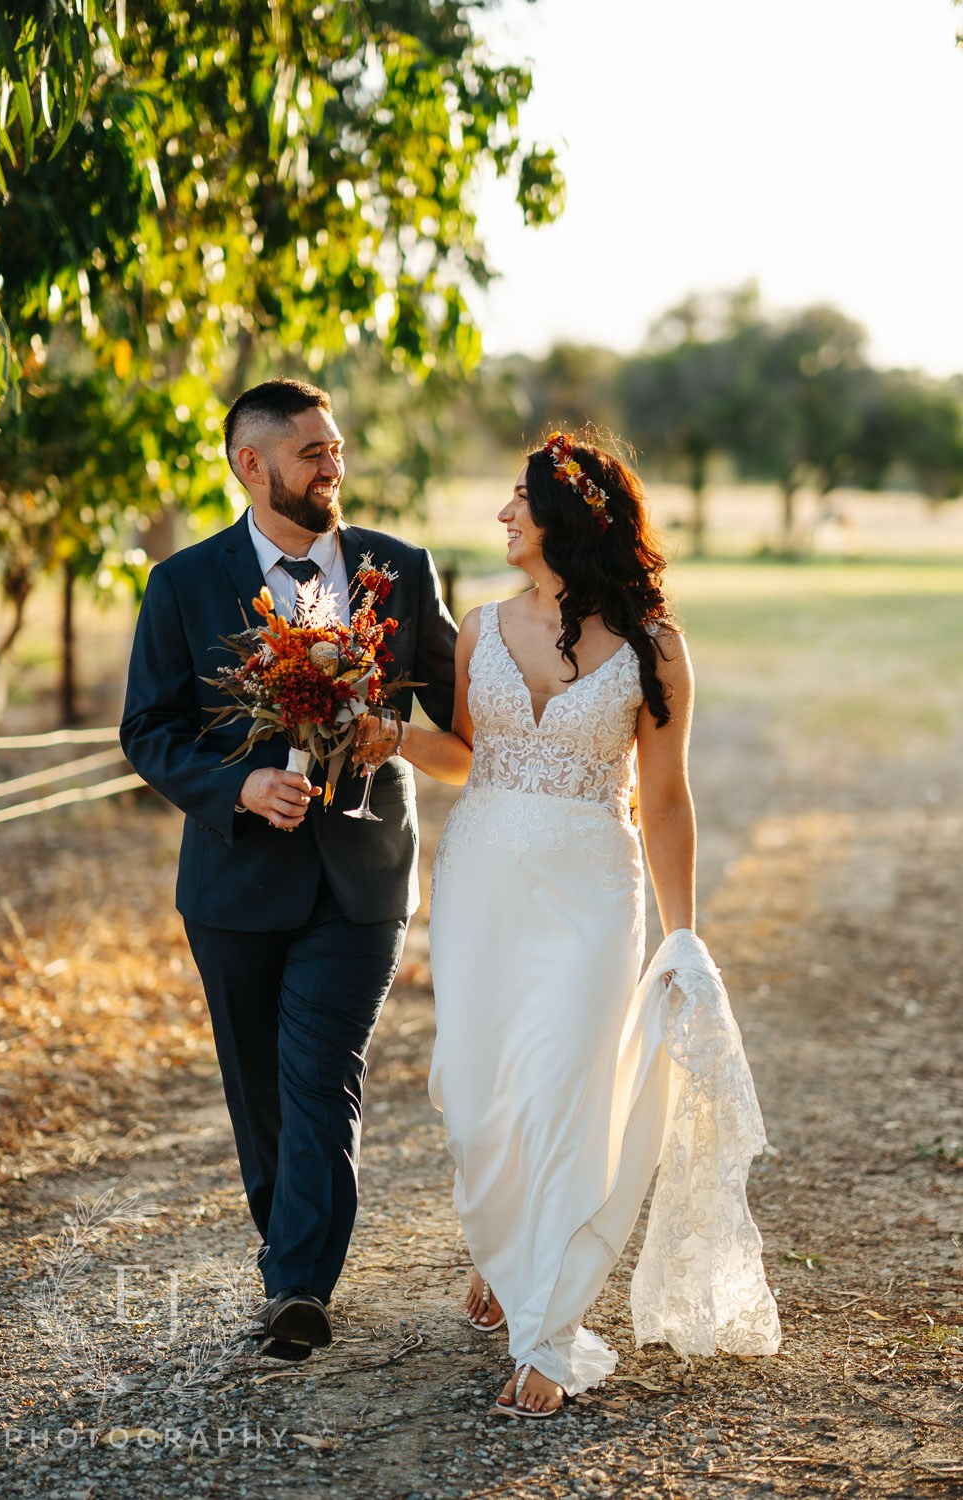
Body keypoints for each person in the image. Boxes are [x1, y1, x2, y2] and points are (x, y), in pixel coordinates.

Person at [398, 431, 780, 1416]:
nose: (502, 515)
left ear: (565, 517)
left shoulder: (655, 648)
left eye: (518, 501)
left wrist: (682, 939)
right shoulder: (480, 628)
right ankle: (504, 1249)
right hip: (481, 883)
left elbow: (667, 799)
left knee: (566, 1096)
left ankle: (549, 1335)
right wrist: (390, 736)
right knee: (479, 1100)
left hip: (589, 895)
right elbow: (466, 755)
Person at [120, 378, 457, 1361]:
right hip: (234, 881)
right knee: (258, 1086)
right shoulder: (183, 583)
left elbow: (463, 717)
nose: (333, 467)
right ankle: (289, 1254)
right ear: (251, 464)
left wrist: (399, 734)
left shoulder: (398, 570)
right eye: (312, 452)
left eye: (336, 448)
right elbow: (149, 729)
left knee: (321, 1073)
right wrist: (238, 785)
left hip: (363, 876)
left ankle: (300, 1285)